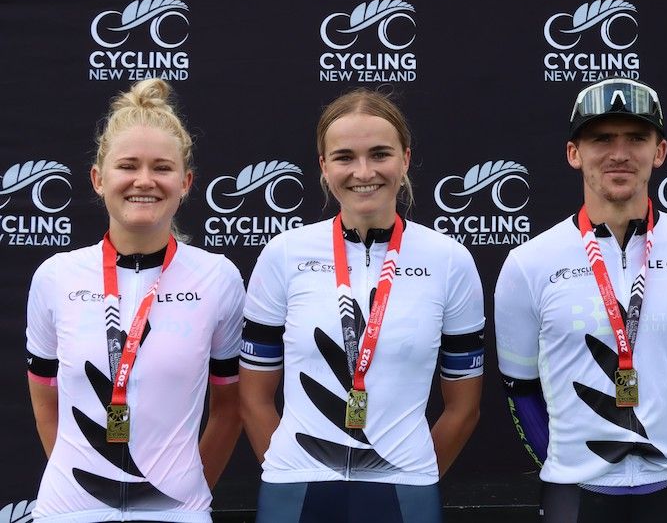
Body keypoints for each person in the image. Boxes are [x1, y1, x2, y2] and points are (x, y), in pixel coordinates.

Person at [495, 78, 667, 522]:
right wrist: (576, 463)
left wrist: (661, 448)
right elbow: (519, 389)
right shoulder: (528, 262)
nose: (619, 154)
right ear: (574, 153)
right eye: (602, 139)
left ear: (659, 152)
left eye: (636, 138)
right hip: (574, 495)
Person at [239, 88, 485, 523]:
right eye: (345, 157)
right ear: (323, 166)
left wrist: (415, 469)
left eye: (380, 154)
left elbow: (463, 407)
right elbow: (253, 397)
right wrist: (289, 466)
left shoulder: (448, 260)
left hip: (405, 487)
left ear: (405, 159)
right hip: (295, 486)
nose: (363, 171)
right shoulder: (284, 254)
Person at [25, 79, 245, 522]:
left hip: (177, 512)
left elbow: (229, 409)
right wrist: (88, 486)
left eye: (162, 168)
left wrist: (186, 493)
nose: (144, 180)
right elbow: (44, 401)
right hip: (69, 511)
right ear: (98, 178)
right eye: (128, 165)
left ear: (185, 182)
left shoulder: (217, 277)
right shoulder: (55, 275)